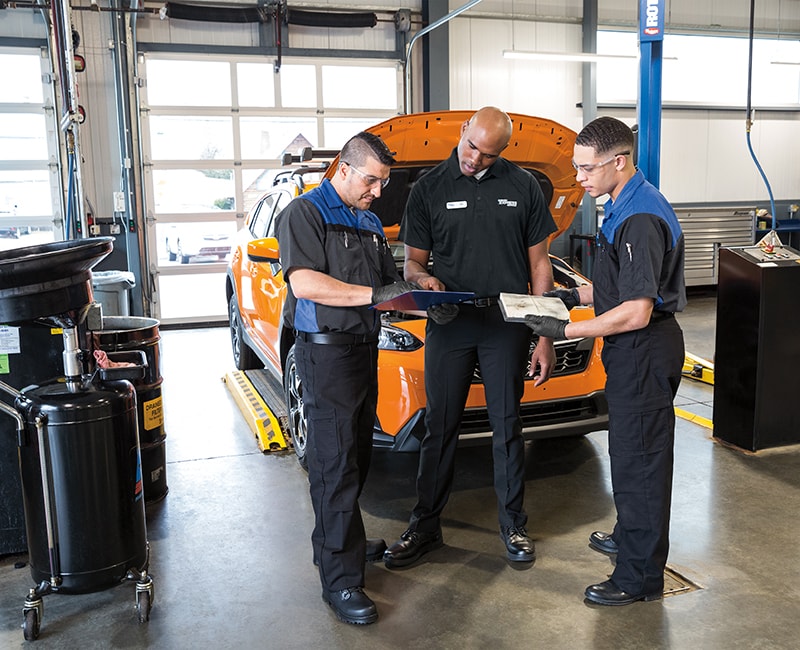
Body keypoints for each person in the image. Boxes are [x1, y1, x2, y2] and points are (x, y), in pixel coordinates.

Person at [383, 106, 558, 569]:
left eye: (487, 154)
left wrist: (545, 334)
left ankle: (513, 524)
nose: (475, 158)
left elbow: (540, 264)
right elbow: (413, 263)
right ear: (463, 131)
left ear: (504, 151)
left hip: (506, 323)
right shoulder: (429, 188)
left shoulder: (523, 186)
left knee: (507, 424)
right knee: (439, 426)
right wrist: (424, 281)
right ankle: (425, 525)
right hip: (451, 322)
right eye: (471, 146)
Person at [525, 116, 686, 605]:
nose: (578, 178)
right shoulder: (624, 202)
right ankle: (629, 536)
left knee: (640, 463)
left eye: (586, 168)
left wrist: (565, 329)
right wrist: (575, 295)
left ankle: (638, 577)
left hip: (644, 349)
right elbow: (622, 287)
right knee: (629, 453)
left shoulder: (640, 217)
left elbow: (637, 311)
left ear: (619, 161)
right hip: (633, 350)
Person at [276, 131, 419, 625]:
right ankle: (339, 579)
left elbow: (388, 283)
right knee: (334, 463)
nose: (377, 192)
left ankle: (340, 540)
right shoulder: (305, 213)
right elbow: (305, 283)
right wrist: (375, 297)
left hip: (363, 351)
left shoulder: (369, 221)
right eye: (371, 181)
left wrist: (425, 297)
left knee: (355, 456)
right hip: (326, 355)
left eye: (383, 183)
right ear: (343, 169)